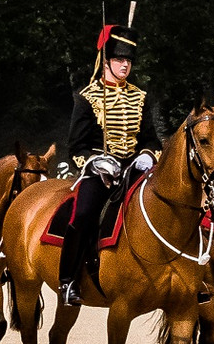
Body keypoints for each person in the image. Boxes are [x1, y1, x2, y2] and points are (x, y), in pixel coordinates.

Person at [59, 18, 162, 306]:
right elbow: (76, 146)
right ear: (105, 61)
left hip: (136, 170)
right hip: (101, 171)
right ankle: (67, 280)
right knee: (83, 215)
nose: (125, 65)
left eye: (128, 60)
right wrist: (96, 163)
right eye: (118, 59)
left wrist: (146, 154)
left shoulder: (140, 97)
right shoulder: (86, 97)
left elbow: (151, 139)